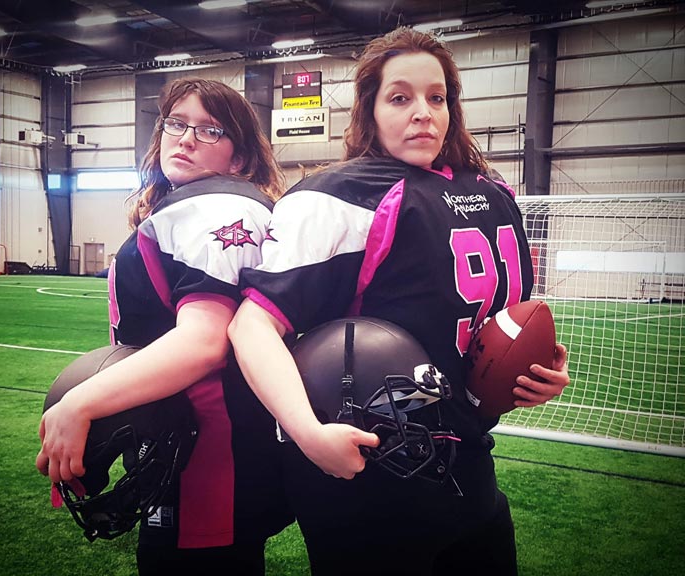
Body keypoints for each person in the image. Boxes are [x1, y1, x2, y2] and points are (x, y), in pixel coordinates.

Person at [228, 27, 570, 575]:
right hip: (372, 466)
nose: (422, 113)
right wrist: (307, 432)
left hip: (469, 459)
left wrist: (531, 372)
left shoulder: (491, 194)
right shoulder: (339, 197)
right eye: (400, 97)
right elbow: (251, 328)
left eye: (437, 97)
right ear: (370, 109)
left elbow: (497, 324)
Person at [36, 78, 292, 575]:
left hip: (209, 450)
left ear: (239, 158)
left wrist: (80, 402)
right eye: (177, 123)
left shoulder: (214, 208)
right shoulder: (202, 203)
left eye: (209, 130)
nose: (186, 138)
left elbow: (206, 341)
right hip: (204, 439)